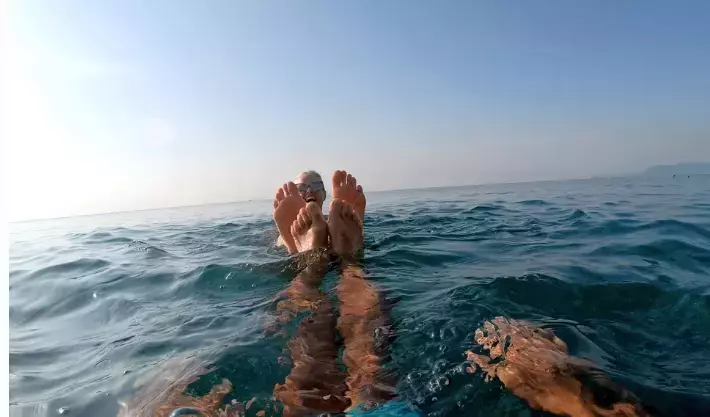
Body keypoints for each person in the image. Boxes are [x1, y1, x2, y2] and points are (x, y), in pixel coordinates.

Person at [273, 170, 365, 254]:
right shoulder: (336, 221)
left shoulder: (335, 222)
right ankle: (349, 248)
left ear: (324, 195)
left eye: (316, 187)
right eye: (301, 188)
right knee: (348, 255)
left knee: (312, 258)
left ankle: (299, 250)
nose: (309, 191)